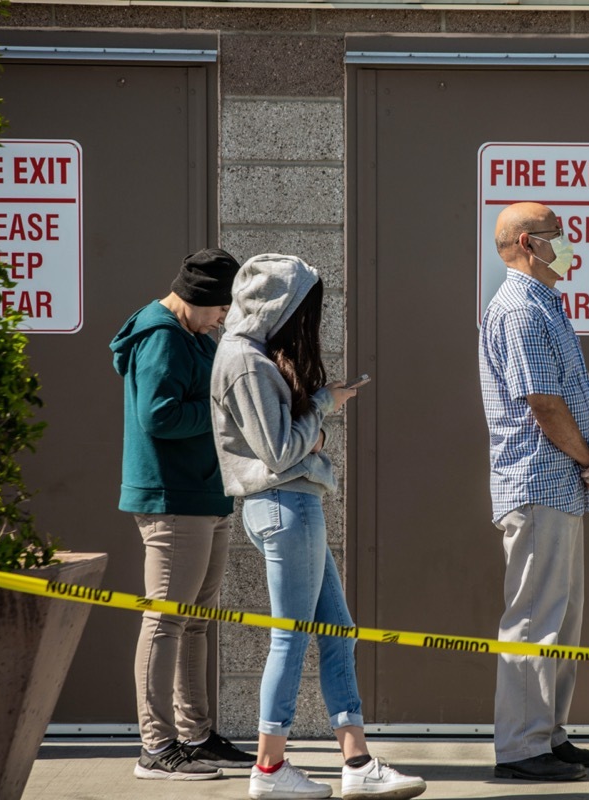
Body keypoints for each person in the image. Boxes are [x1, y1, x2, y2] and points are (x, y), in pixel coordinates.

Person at [210, 254, 426, 800]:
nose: (309, 318)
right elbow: (281, 451)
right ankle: (269, 768)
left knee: (336, 631)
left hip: (290, 506)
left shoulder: (250, 354)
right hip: (284, 504)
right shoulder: (244, 360)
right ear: (279, 304)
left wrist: (317, 411)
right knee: (293, 637)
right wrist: (326, 406)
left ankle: (356, 761)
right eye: (302, 304)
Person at [479, 202, 589, 782]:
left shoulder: (546, 305)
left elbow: (576, 393)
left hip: (561, 483)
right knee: (534, 618)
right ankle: (520, 746)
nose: (569, 244)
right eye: (558, 235)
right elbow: (544, 404)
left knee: (562, 619)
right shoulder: (518, 310)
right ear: (529, 244)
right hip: (539, 482)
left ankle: (548, 733)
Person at [111, 248, 256, 781]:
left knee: (196, 622)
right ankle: (156, 746)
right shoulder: (161, 337)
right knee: (166, 620)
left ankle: (195, 736)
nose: (225, 318)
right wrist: (223, 409)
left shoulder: (193, 333)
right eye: (221, 308)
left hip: (204, 497)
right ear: (196, 299)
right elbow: (158, 416)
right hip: (173, 501)